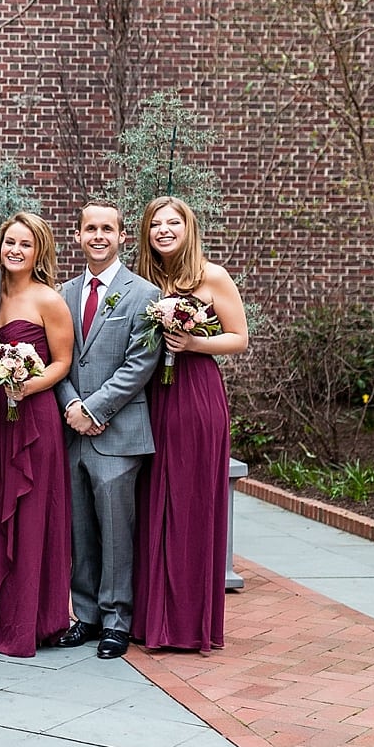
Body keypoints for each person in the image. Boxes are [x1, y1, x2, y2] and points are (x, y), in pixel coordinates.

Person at [133, 196, 248, 652]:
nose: (163, 229)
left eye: (172, 222)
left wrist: (193, 342)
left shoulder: (211, 275)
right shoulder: (142, 281)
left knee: (190, 502)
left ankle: (186, 625)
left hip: (196, 396)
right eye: (155, 223)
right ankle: (147, 620)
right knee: (148, 504)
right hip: (150, 397)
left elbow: (239, 338)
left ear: (188, 226)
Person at [52, 201, 160, 660]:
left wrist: (95, 408)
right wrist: (72, 404)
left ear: (121, 237)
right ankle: (88, 615)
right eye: (90, 228)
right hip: (72, 429)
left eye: (107, 229)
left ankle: (117, 619)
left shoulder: (144, 293)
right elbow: (55, 357)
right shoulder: (61, 293)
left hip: (117, 431)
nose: (98, 236)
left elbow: (141, 363)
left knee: (116, 529)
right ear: (77, 236)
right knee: (79, 527)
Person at [0, 212, 74, 657]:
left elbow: (61, 362)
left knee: (33, 516)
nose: (15, 250)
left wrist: (28, 384)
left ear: (39, 252)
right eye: (9, 242)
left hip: (35, 419)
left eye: (26, 244)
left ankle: (32, 622)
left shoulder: (48, 300)